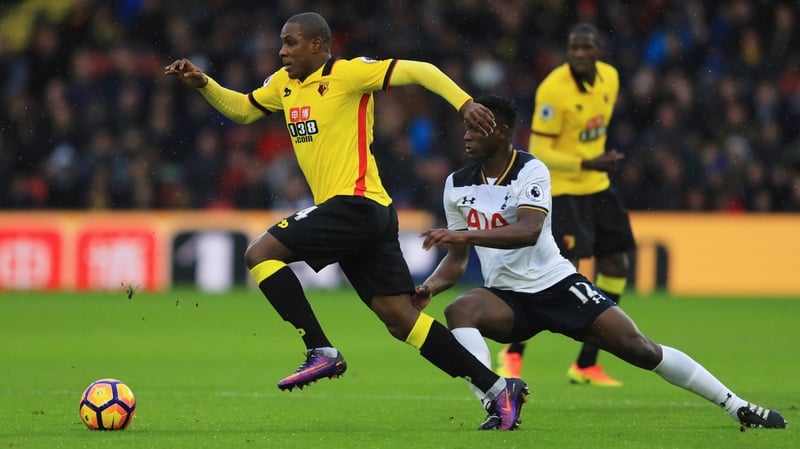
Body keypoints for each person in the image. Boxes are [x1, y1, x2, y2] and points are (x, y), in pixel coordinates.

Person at [165, 12, 528, 430]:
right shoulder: (283, 85)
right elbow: (245, 110)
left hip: (354, 204)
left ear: (318, 45)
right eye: (282, 43)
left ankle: (319, 349)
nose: (282, 51)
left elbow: (422, 70)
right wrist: (204, 84)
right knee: (401, 319)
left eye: (291, 42)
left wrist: (465, 103)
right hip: (367, 214)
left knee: (260, 253)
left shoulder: (350, 74)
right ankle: (498, 389)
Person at [412, 93, 786, 430]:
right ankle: (498, 400)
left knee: (641, 349)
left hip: (556, 286)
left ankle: (738, 407)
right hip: (506, 298)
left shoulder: (531, 170)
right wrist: (430, 286)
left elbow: (528, 231)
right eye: (466, 127)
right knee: (460, 309)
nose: (467, 134)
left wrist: (461, 234)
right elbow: (457, 262)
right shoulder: (456, 185)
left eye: (477, 127)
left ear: (503, 132)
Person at [496, 23, 634, 386]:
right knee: (557, 276)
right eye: (574, 48)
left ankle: (586, 364)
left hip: (598, 186)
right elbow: (540, 151)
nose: (579, 54)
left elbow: (592, 131)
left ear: (599, 50)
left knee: (617, 262)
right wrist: (585, 162)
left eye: (586, 47)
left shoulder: (611, 79)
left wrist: (595, 164)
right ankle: (512, 352)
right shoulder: (553, 90)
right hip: (564, 190)